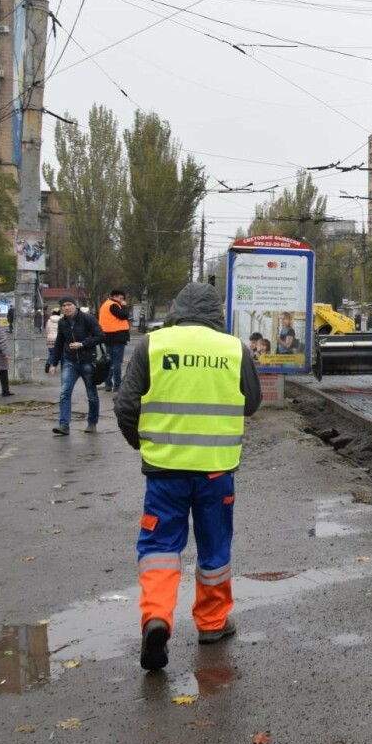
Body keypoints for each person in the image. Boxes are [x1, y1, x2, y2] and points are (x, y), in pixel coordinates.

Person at [114, 282, 263, 672]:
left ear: (178, 308)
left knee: (160, 546)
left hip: (165, 472)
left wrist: (146, 447)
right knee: (214, 547)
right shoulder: (234, 348)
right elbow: (252, 402)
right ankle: (212, 624)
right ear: (216, 313)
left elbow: (126, 406)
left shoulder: (153, 344)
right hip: (216, 470)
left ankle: (157, 619)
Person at [47, 296, 104, 436]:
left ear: (75, 305)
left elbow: (101, 336)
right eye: (64, 305)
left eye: (69, 304)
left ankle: (92, 424)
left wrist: (83, 344)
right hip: (70, 362)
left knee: (91, 394)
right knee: (65, 393)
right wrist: (53, 363)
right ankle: (64, 425)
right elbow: (59, 342)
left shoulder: (87, 319)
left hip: (87, 362)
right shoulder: (62, 322)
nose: (67, 308)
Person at [98, 289, 132, 392]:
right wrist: (125, 306)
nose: (122, 300)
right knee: (117, 362)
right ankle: (117, 385)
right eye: (121, 298)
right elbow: (124, 315)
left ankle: (108, 384)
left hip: (107, 335)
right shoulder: (113, 305)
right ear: (115, 297)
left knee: (109, 361)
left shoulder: (105, 305)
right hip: (117, 336)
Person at [44, 308, 62, 373]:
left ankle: (48, 363)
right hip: (58, 339)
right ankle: (55, 366)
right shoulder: (61, 320)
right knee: (60, 354)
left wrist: (48, 336)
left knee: (51, 353)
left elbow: (47, 329)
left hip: (50, 338)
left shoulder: (49, 320)